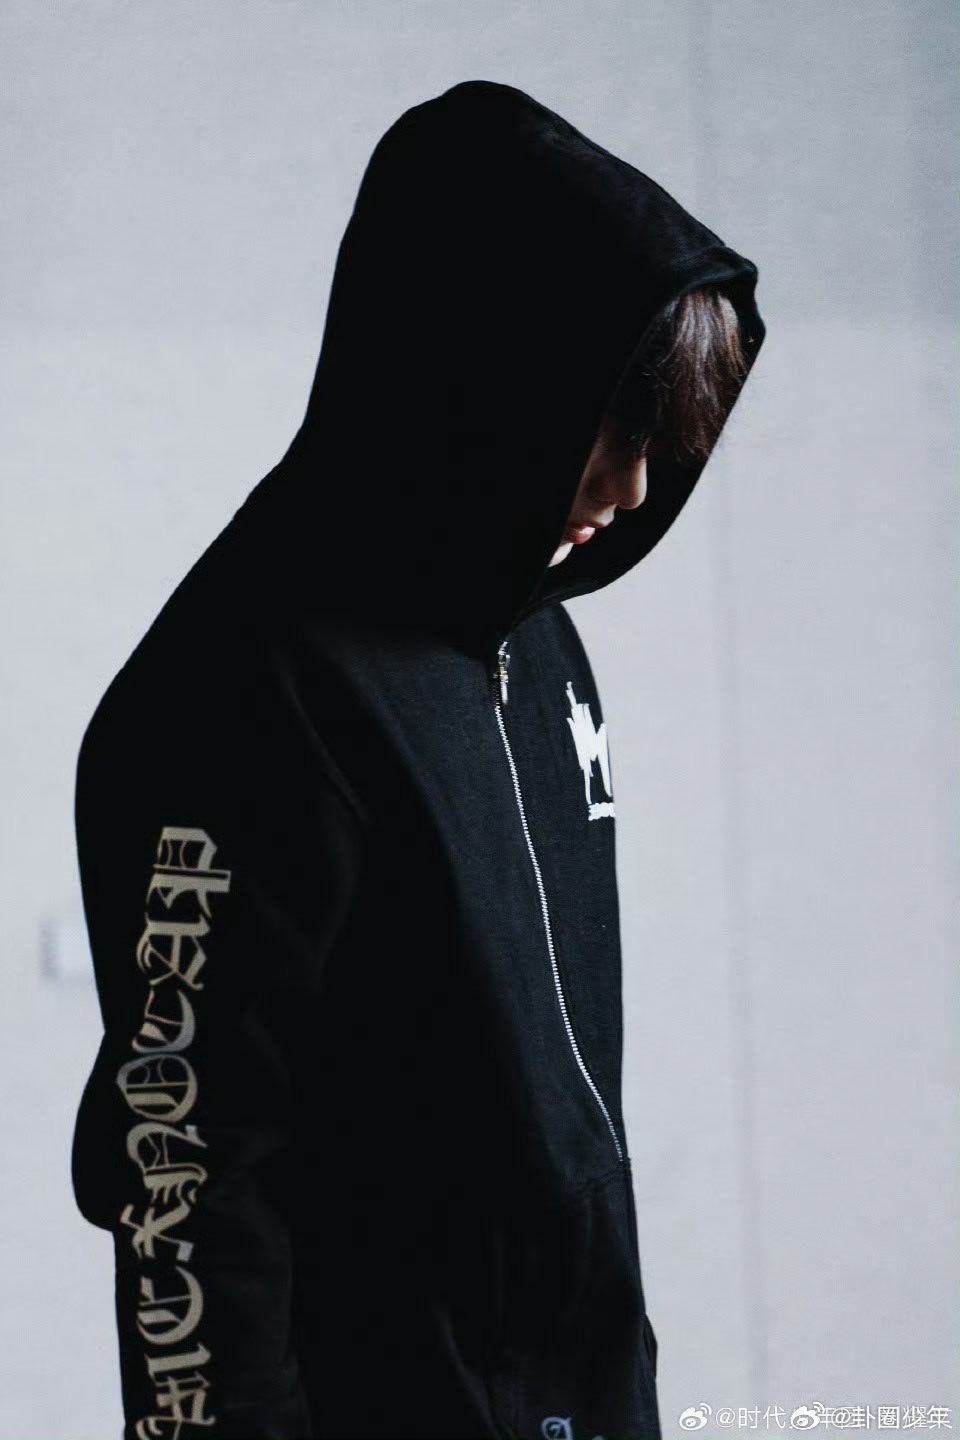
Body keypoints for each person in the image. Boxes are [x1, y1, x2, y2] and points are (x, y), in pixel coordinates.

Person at [71, 79, 765, 1440]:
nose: (629, 488)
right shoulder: (239, 691)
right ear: (485, 371)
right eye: (611, 421)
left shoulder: (537, 642)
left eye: (657, 440)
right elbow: (191, 1196)